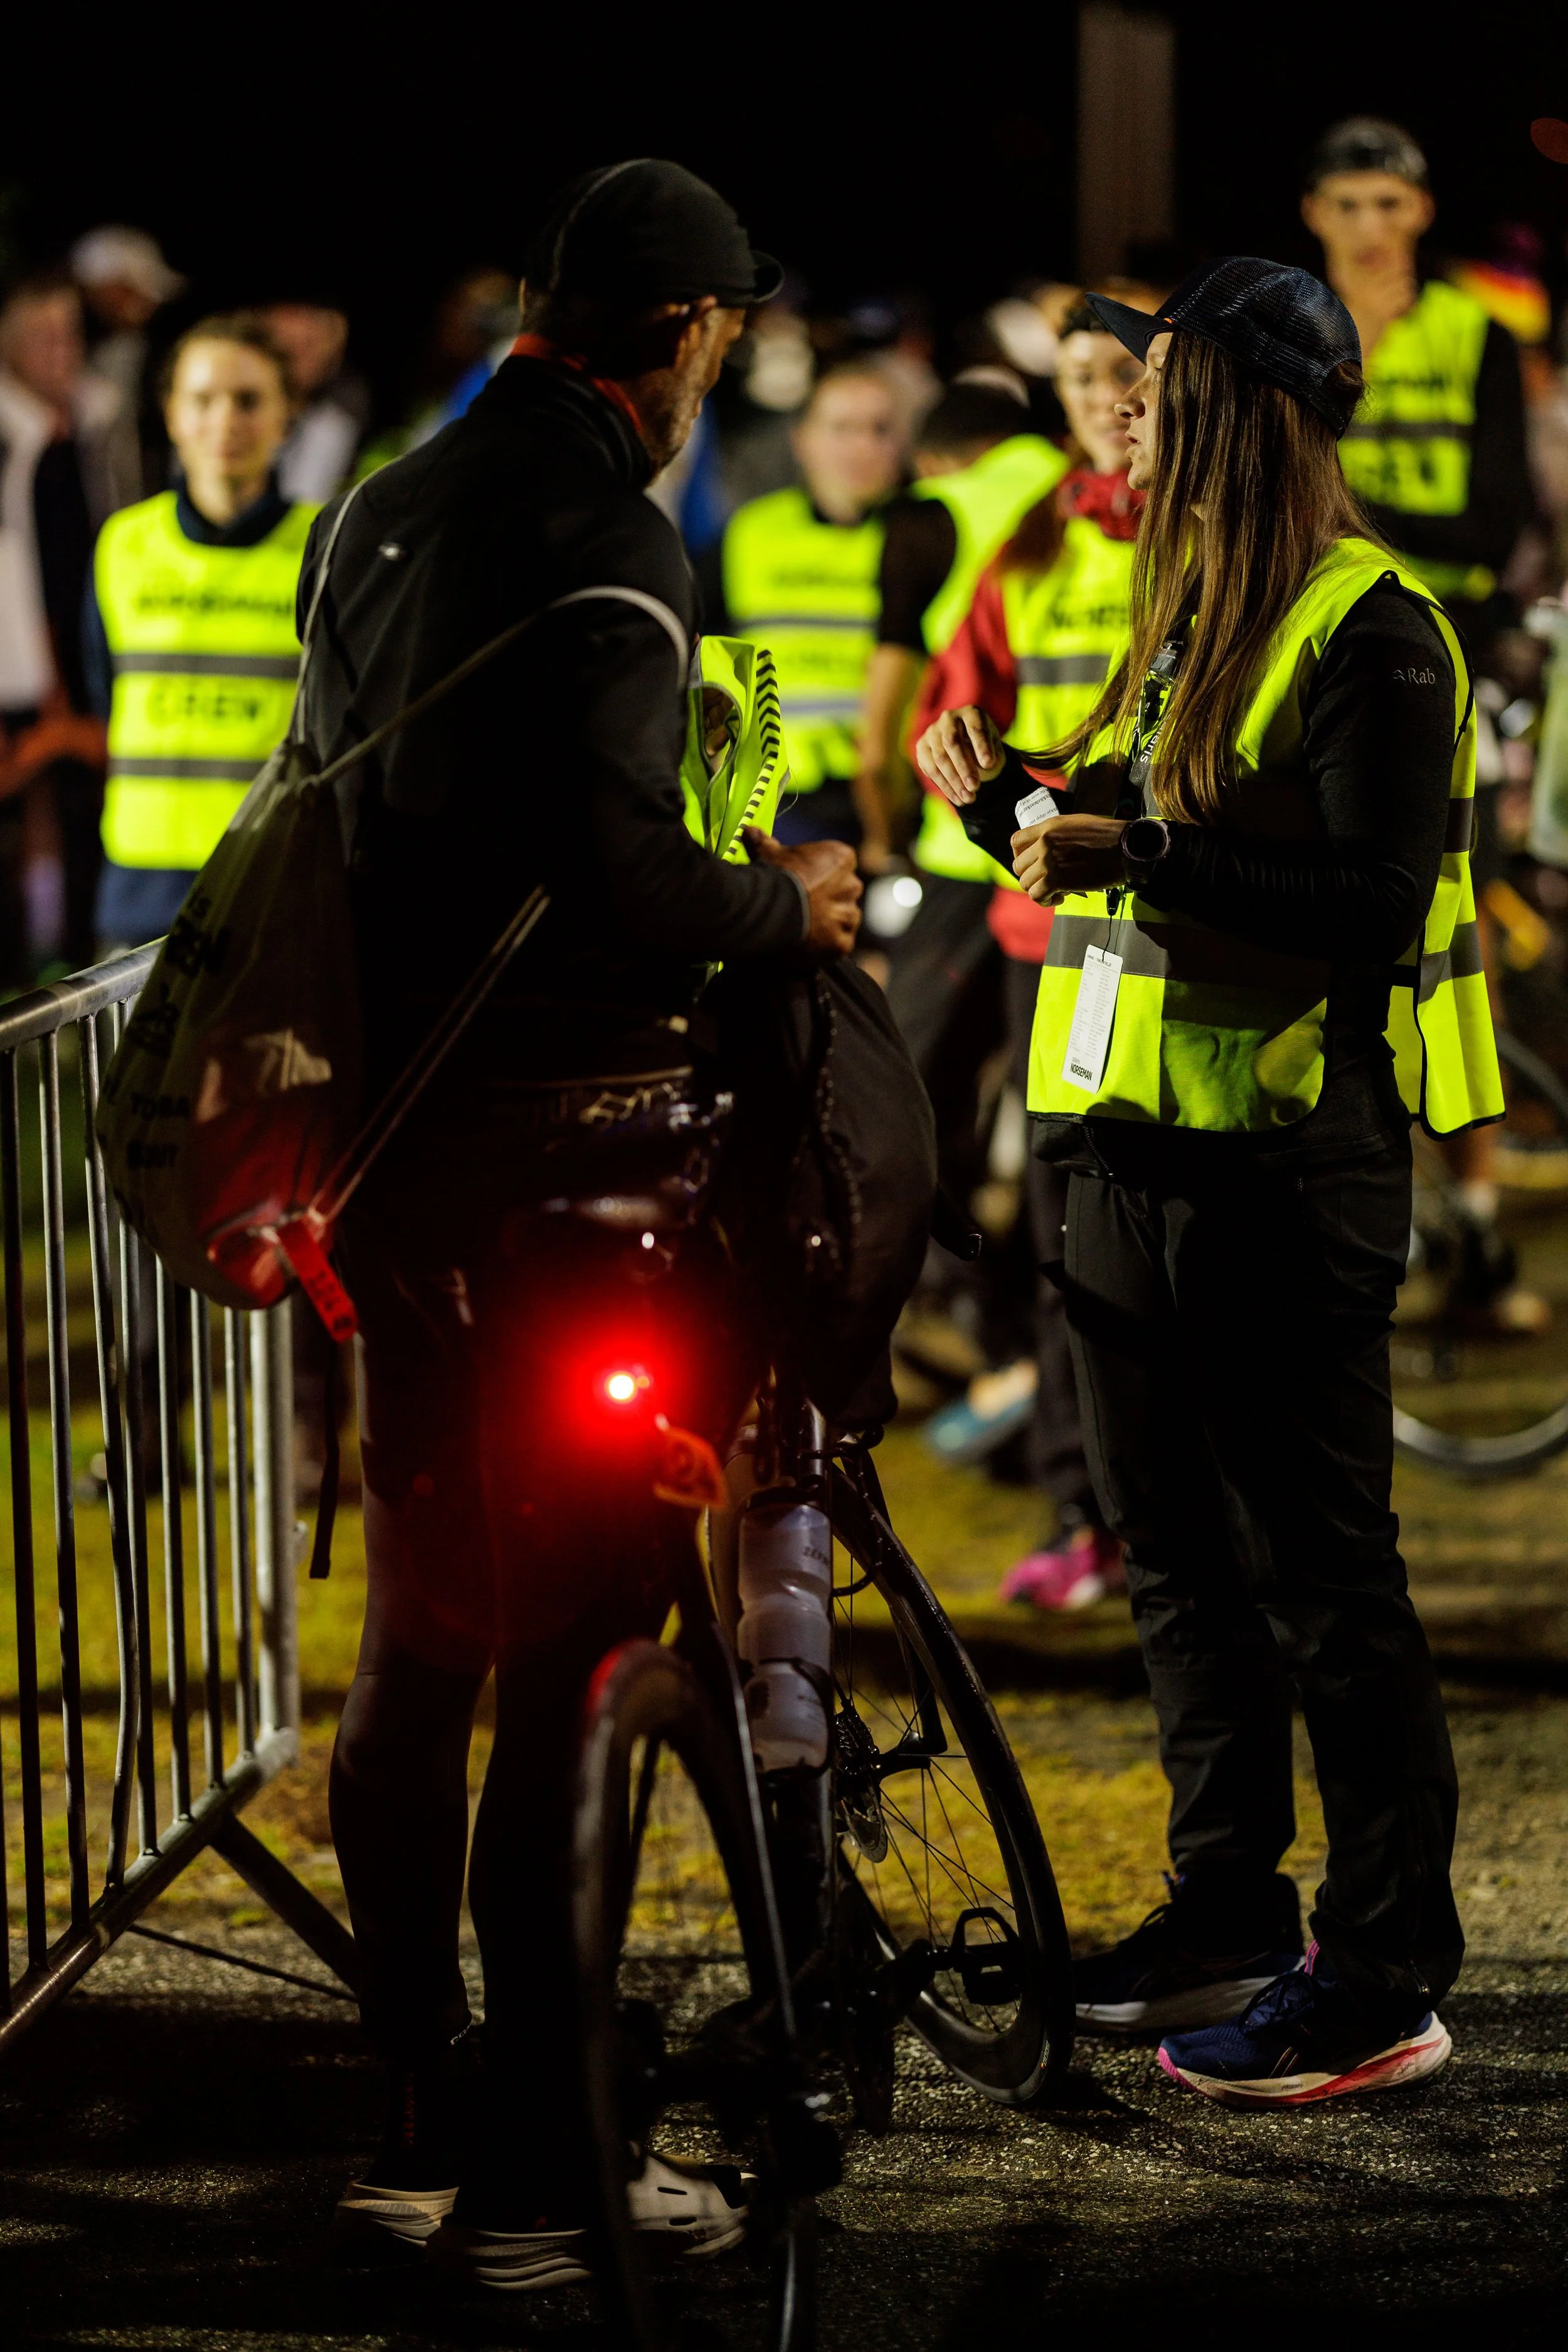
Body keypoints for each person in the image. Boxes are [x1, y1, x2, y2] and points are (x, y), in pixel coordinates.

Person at [300, 161, 864, 2288]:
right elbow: (628, 873)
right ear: (692, 335)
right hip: (566, 1173)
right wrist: (782, 904)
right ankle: (548, 2175)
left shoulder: (381, 505)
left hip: (391, 1163)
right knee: (571, 1658)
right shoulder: (611, 536)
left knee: (416, 1641)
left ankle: (416, 2115)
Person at [919, 257, 1499, 2107]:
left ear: (1247, 414)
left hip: (1282, 1161)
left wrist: (1136, 847)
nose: (1123, 414)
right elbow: (1120, 831)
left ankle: (1382, 1972)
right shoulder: (1185, 600)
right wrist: (998, 798)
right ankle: (1224, 1908)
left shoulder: (1372, 624)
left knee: (1324, 1578)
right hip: (1128, 1146)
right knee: (1169, 1553)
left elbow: (1364, 902)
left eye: (1158, 391)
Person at [910, 304, 1144, 1608]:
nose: (1102, 399)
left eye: (1123, 374)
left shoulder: (1213, 536)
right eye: (1078, 379)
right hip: (1048, 932)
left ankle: (1161, 1506)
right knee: (1066, 1227)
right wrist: (985, 791)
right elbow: (955, 711)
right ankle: (1078, 1509)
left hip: (1172, 925)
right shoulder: (1034, 539)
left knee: (1150, 1224)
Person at [1305, 117, 1540, 1331]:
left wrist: (1338, 506)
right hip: (1315, 647)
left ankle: (1480, 1225)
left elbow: (1495, 522)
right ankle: (1358, 1207)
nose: (1369, 229)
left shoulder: (1476, 334)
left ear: (1423, 213)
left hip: (1444, 656)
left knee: (1457, 940)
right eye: (1348, 204)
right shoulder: (1292, 325)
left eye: (1389, 204)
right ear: (1315, 214)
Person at [86, 314, 315, 950]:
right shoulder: (123, 545)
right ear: (171, 414)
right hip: (140, 886)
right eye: (202, 399)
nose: (225, 420)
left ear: (287, 415)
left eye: (249, 400)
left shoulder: (324, 549)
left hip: (269, 879)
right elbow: (105, 694)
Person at [702, 361, 906, 847]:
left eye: (880, 429)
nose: (863, 446)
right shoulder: (749, 534)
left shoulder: (924, 534)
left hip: (897, 797)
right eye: (843, 428)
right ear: (803, 440)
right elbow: (701, 666)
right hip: (777, 803)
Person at [0, 271, 134, 980]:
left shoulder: (99, 423)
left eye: (69, 334)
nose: (60, 350)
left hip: (89, 650)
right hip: (19, 660)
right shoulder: (10, 435)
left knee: (82, 811)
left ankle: (76, 966)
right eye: (41, 336)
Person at [70, 223, 187, 499]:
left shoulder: (142, 349)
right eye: (132, 291)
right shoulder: (68, 349)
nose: (149, 305)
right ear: (105, 288)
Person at [258, 302, 369, 501]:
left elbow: (307, 497)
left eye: (309, 344)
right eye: (288, 350)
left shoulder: (339, 416)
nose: (299, 361)